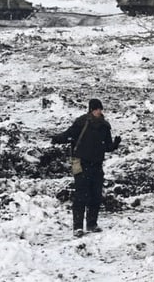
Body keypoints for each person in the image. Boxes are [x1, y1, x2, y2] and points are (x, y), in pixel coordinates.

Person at [51, 99, 121, 237]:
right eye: (96, 109)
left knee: (96, 195)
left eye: (100, 109)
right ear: (90, 110)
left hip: (96, 164)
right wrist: (56, 138)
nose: (98, 111)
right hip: (79, 162)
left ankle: (91, 224)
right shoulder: (81, 122)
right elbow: (68, 134)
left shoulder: (105, 126)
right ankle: (77, 227)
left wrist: (115, 144)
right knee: (80, 195)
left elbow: (107, 147)